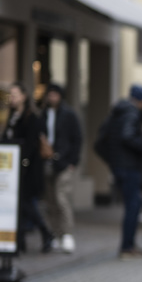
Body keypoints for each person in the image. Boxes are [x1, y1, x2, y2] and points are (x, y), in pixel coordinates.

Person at [96, 85, 142, 260]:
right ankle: (127, 247)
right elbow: (127, 136)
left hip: (119, 167)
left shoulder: (116, 113)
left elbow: (99, 143)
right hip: (129, 168)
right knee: (133, 206)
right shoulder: (132, 113)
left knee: (132, 205)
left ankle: (128, 245)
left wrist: (112, 161)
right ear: (141, 100)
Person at [2, 82, 54, 254]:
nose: (13, 98)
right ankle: (21, 240)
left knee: (26, 205)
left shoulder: (32, 118)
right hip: (13, 168)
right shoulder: (12, 117)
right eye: (11, 95)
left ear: (24, 96)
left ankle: (45, 232)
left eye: (15, 94)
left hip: (28, 170)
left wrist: (22, 162)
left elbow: (31, 145)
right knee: (21, 206)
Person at [41, 83, 84, 254]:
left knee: (62, 198)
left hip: (64, 162)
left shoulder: (69, 114)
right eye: (49, 95)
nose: (52, 98)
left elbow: (78, 138)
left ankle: (67, 234)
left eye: (55, 95)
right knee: (50, 200)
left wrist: (73, 161)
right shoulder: (43, 113)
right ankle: (55, 234)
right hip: (47, 161)